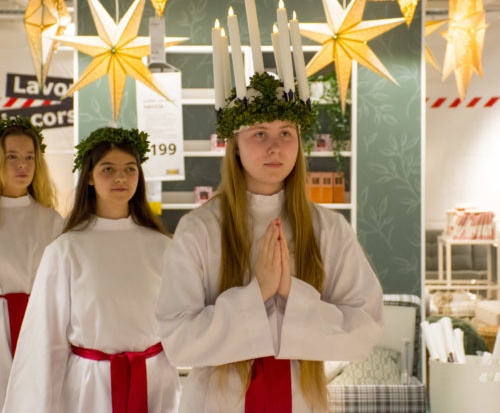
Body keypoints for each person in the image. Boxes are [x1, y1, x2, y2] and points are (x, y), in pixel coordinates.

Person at [156, 72, 384, 412]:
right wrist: (257, 294)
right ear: (235, 145)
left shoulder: (330, 229)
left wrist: (292, 293)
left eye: (285, 133)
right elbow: (178, 343)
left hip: (302, 399)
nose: (274, 146)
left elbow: (365, 331)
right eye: (259, 133)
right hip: (218, 402)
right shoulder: (199, 229)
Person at [3, 127, 180, 413]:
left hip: (154, 382)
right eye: (108, 169)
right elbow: (44, 342)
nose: (121, 178)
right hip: (88, 387)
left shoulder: (163, 247)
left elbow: (179, 322)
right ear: (89, 177)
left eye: (130, 169)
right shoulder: (65, 250)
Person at [0, 116, 63, 407]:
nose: (21, 165)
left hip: (37, 325)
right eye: (11, 156)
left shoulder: (50, 220)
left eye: (29, 157)